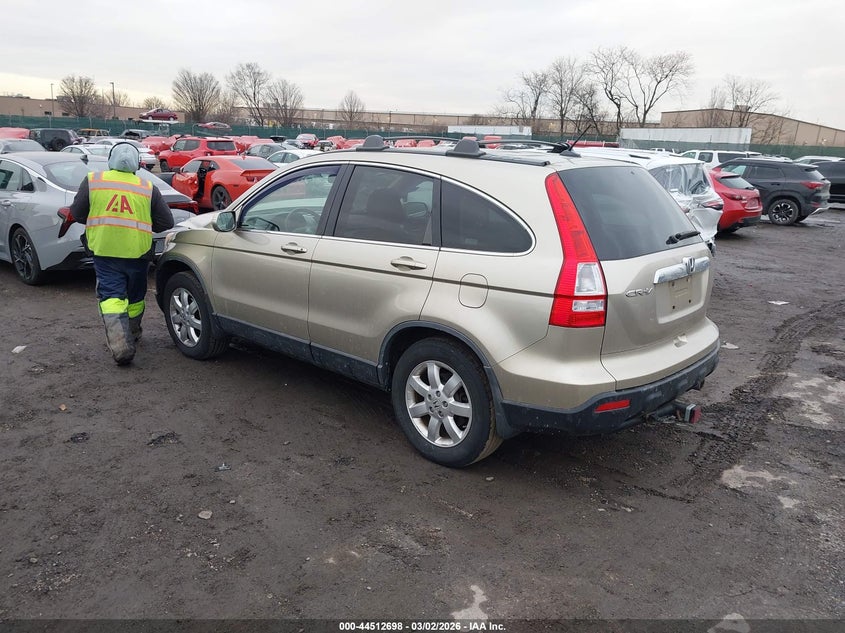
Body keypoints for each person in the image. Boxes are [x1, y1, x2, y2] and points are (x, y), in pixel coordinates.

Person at [70, 142, 174, 365]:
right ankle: (133, 333)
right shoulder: (147, 187)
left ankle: (120, 345)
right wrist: (142, 225)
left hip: (105, 252)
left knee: (111, 296)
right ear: (137, 164)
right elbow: (166, 221)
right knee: (135, 297)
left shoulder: (93, 181)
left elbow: (78, 214)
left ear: (110, 160)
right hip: (138, 253)